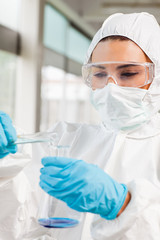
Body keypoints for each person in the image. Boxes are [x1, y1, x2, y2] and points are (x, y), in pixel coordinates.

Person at [0, 12, 160, 240]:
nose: (110, 88)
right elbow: (16, 225)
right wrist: (4, 166)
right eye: (100, 73)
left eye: (129, 73)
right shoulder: (65, 140)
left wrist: (123, 205)